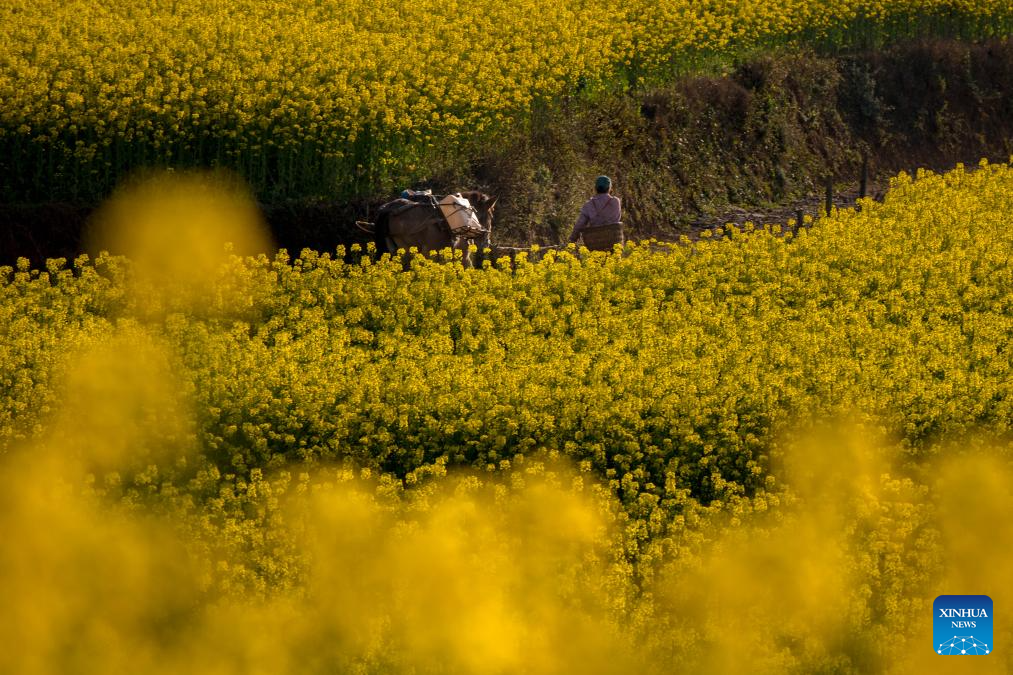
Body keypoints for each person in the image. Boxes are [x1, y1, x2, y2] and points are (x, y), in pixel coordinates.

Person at [569, 175, 621, 243]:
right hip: (614, 240)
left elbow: (580, 224)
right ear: (609, 188)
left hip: (595, 243)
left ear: (595, 188)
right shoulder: (615, 202)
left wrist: (572, 239)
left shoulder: (589, 204)